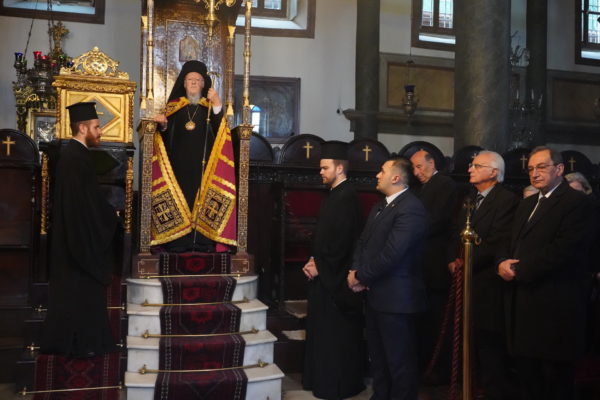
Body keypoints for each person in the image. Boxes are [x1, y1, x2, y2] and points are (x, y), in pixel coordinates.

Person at [497, 146, 594, 400]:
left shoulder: (577, 202)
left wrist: (519, 269)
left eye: (541, 167)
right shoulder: (527, 203)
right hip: (523, 305)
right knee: (528, 380)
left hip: (555, 307)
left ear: (559, 169)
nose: (535, 173)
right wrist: (502, 262)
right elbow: (509, 241)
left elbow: (564, 249)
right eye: (531, 169)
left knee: (555, 383)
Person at [40, 102, 118, 358]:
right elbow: (84, 204)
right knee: (79, 292)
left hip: (74, 235)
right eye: (96, 127)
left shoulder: (76, 154)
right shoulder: (75, 158)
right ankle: (82, 344)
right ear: (83, 128)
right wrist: (110, 215)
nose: (100, 131)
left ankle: (84, 343)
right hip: (77, 240)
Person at [347, 157, 428, 400]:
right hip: (376, 295)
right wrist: (355, 271)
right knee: (378, 357)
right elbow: (363, 243)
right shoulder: (380, 205)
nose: (377, 175)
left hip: (396, 300)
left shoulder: (411, 208)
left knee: (399, 361)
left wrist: (361, 276)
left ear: (396, 177)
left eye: (382, 171)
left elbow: (393, 254)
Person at [448, 151, 519, 400]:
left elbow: (498, 241)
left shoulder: (507, 200)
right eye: (471, 165)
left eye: (477, 166)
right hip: (467, 282)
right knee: (471, 344)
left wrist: (465, 263)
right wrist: (454, 259)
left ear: (494, 172)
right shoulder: (470, 198)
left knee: (491, 348)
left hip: (489, 285)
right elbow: (457, 234)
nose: (470, 169)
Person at [301, 141, 365, 399]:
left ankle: (336, 386)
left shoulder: (347, 197)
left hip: (336, 278)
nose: (321, 172)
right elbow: (324, 237)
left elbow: (343, 243)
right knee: (322, 332)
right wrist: (313, 260)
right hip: (325, 272)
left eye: (325, 168)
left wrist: (321, 267)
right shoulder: (334, 194)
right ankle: (319, 381)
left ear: (339, 168)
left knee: (335, 336)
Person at [153, 60, 224, 252]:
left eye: (198, 80)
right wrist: (162, 125)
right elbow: (164, 136)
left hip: (204, 165)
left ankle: (202, 241)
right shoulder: (174, 107)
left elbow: (221, 132)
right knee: (179, 199)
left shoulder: (209, 108)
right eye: (190, 79)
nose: (193, 82)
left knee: (202, 200)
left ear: (203, 84)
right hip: (177, 165)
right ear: (183, 83)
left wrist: (217, 104)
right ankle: (178, 241)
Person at [409, 149, 457, 381]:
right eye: (413, 168)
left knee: (437, 321)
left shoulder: (444, 184)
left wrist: (408, 231)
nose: (416, 172)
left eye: (419, 166)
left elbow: (438, 219)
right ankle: (424, 367)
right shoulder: (420, 189)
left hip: (436, 265)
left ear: (432, 163)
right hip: (420, 265)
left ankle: (438, 371)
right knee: (423, 322)